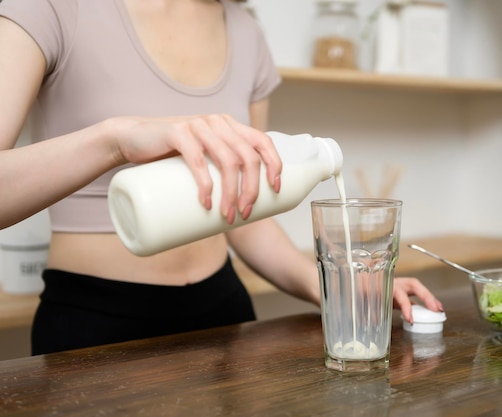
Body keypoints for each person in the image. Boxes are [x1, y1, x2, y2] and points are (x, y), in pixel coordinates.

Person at [0, 0, 443, 355]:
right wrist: (116, 140)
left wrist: (339, 290)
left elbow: (245, 208)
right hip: (93, 323)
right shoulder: (50, 7)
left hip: (223, 317)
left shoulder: (246, 31)